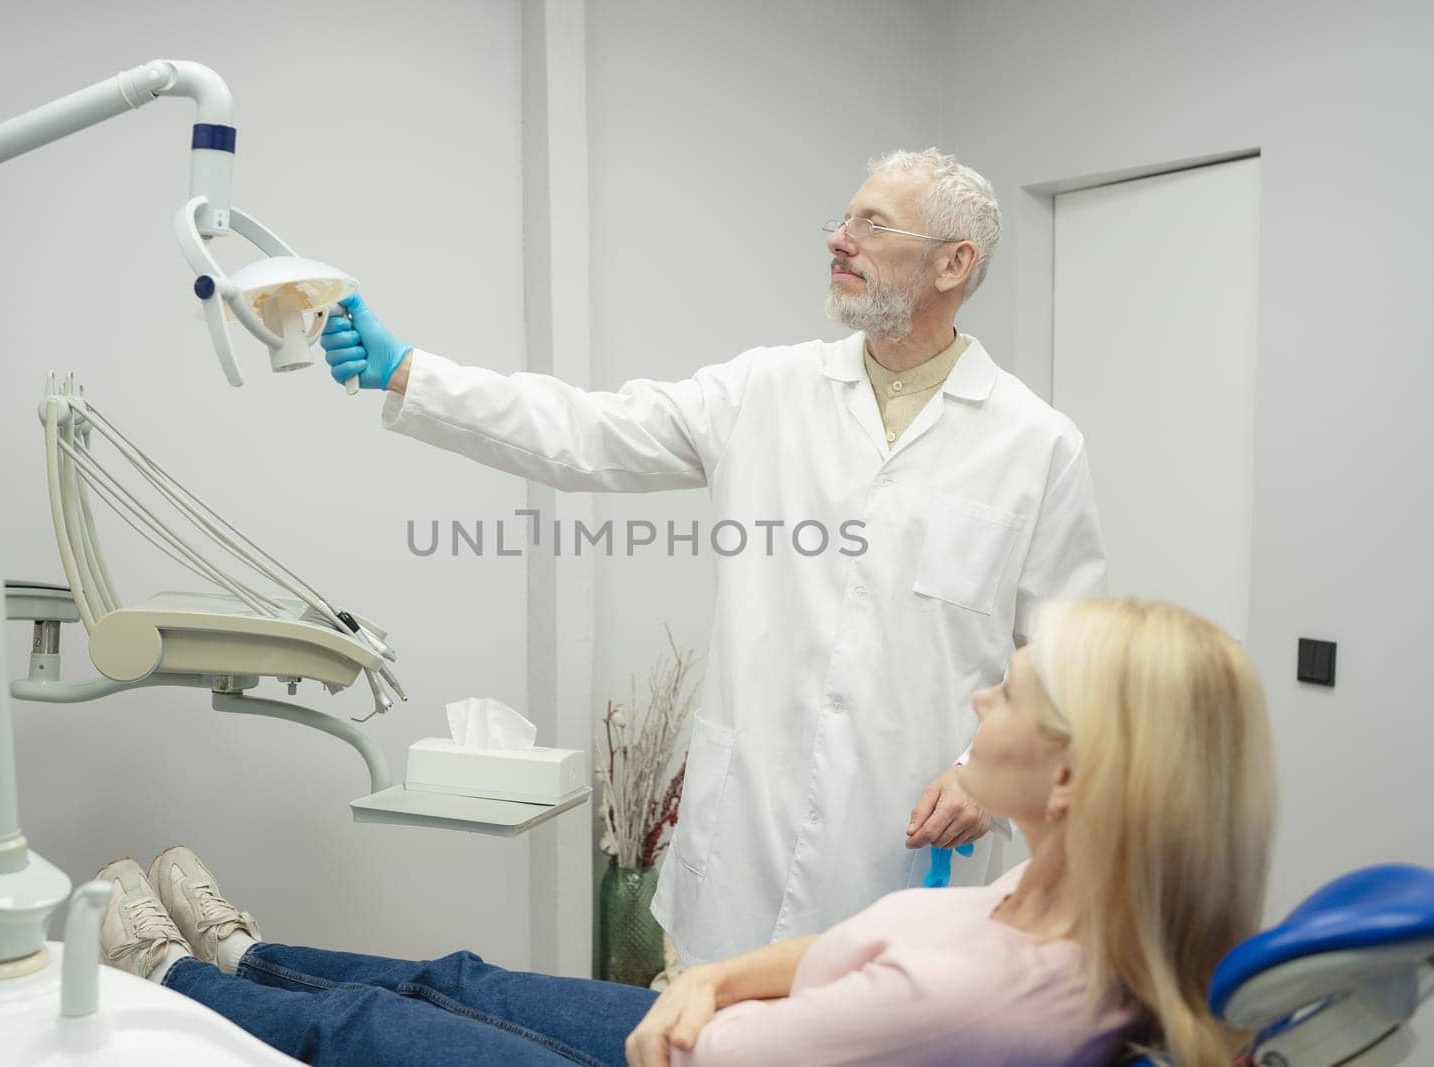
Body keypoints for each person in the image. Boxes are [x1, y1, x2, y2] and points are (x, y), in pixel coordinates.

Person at [318, 147, 1108, 965]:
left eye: (872, 225)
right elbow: (588, 432)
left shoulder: (1035, 443)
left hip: (906, 851)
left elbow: (1073, 657)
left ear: (954, 262)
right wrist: (412, 374)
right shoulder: (765, 391)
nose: (839, 240)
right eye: (842, 219)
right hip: (744, 852)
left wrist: (982, 770)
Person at [98, 597, 1274, 1066]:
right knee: (458, 975)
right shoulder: (1051, 903)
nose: (978, 701)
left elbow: (698, 1058)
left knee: (376, 1025)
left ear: (1067, 778)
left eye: (1008, 694)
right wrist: (712, 976)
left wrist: (696, 1006)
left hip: (705, 1061)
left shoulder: (980, 990)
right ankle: (244, 954)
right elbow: (821, 961)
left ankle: (159, 968)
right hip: (736, 1025)